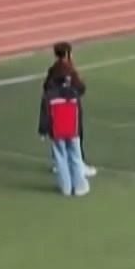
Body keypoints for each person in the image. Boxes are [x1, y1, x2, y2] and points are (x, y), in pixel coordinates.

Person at [39, 68, 90, 197]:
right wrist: (79, 130)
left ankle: (65, 187)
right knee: (76, 157)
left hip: (57, 131)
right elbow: (79, 113)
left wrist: (43, 131)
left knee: (61, 158)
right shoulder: (73, 93)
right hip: (73, 130)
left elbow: (45, 115)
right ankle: (79, 186)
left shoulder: (49, 96)